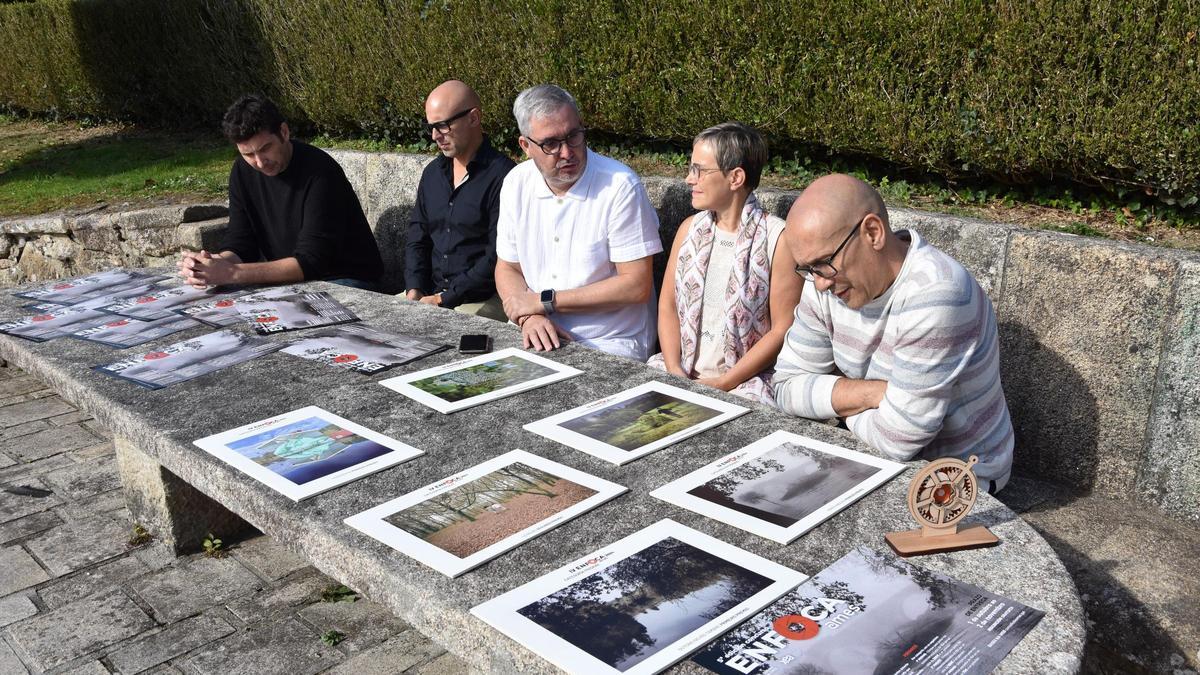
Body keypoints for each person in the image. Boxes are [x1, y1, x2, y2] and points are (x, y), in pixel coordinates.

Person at [774, 174, 1014, 492]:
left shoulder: (936, 292)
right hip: (873, 457)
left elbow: (898, 440)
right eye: (808, 269)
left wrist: (836, 405)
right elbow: (785, 386)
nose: (819, 282)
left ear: (873, 233)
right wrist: (873, 393)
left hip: (957, 479)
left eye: (824, 263)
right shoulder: (823, 286)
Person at [494, 84, 662, 360]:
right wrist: (529, 318)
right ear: (525, 146)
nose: (567, 152)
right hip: (536, 330)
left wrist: (543, 302)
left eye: (574, 136)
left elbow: (636, 285)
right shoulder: (516, 183)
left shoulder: (619, 185)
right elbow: (508, 267)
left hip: (609, 340)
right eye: (551, 144)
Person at [648, 123, 802, 404]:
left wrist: (724, 382)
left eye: (699, 170)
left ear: (736, 177)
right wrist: (673, 369)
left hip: (745, 383)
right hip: (677, 370)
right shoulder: (688, 230)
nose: (688, 179)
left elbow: (783, 327)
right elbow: (667, 304)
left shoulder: (777, 240)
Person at [178, 94, 383, 290]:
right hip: (295, 282)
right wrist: (210, 265)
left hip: (347, 280)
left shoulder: (321, 173)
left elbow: (312, 261)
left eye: (265, 148)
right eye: (248, 154)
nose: (259, 162)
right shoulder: (243, 171)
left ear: (284, 132)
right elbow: (241, 243)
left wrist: (231, 273)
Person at [404, 80, 515, 320]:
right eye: (431, 126)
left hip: (481, 297)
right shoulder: (433, 174)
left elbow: (497, 257)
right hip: (429, 294)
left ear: (473, 118)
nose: (435, 136)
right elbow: (417, 237)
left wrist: (445, 298)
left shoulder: (504, 177)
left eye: (443, 126)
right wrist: (414, 289)